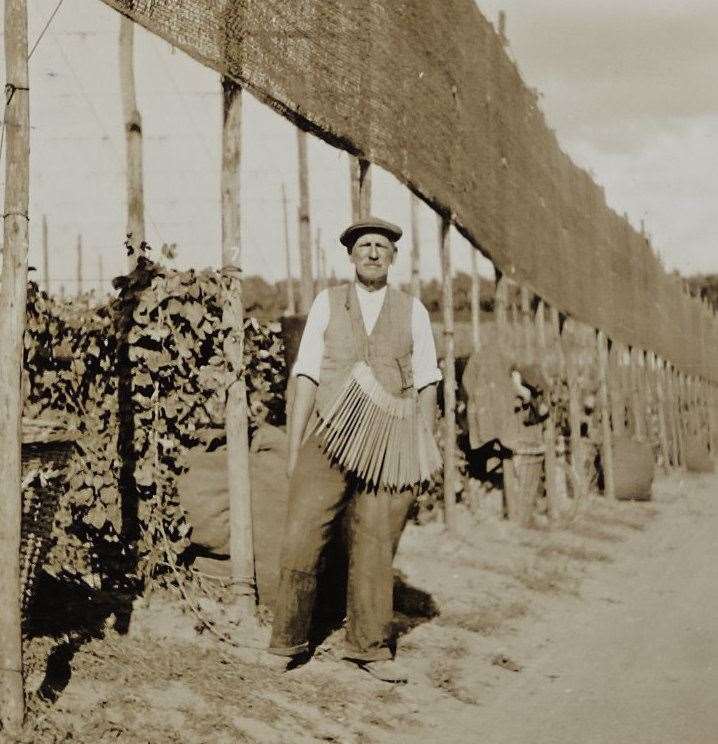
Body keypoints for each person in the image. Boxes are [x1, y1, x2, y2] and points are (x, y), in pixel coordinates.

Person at [268, 216, 442, 683]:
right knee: (302, 532)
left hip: (390, 442)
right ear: (350, 255)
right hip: (329, 435)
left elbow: (428, 383)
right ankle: (286, 641)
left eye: (381, 246)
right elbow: (305, 374)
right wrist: (293, 446)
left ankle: (367, 647)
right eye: (363, 245)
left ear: (393, 257)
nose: (372, 252)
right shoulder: (328, 303)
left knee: (375, 540)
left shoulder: (413, 311)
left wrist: (421, 446)